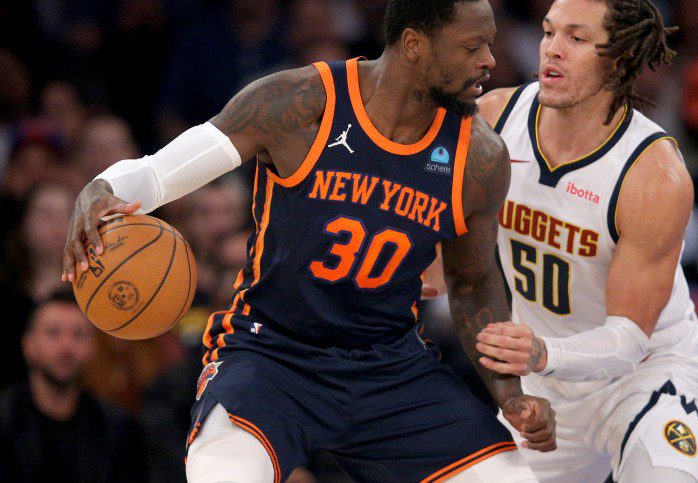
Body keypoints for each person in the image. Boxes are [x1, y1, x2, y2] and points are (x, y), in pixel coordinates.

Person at [62, 1, 557, 482]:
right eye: (473, 46)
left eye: (490, 44)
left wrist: (508, 393)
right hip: (272, 355)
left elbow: (472, 281)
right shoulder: (299, 103)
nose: (490, 61)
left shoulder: (480, 157)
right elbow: (158, 174)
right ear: (413, 45)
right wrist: (102, 189)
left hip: (389, 366)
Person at [471, 0, 698, 481]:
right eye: (547, 32)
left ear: (619, 59)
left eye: (576, 39)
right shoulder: (493, 120)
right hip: (544, 387)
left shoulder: (654, 175)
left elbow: (627, 340)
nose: (552, 51)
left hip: (642, 378)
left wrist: (542, 353)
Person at [0, 292, 147, 482]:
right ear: (28, 344)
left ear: (93, 347)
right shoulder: (5, 421)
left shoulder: (117, 429)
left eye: (78, 334)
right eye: (53, 333)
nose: (66, 346)